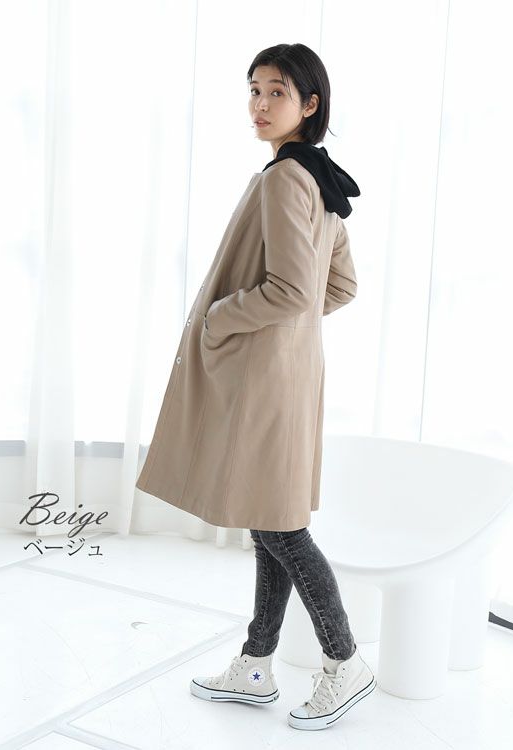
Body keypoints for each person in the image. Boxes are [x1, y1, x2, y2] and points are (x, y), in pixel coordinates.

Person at [185, 43, 377, 731]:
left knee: (280, 527)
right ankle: (257, 662)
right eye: (254, 90)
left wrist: (222, 316)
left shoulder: (283, 179)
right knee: (269, 518)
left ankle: (345, 662)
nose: (260, 105)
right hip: (292, 374)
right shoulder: (320, 179)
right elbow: (340, 287)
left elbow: (293, 291)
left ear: (309, 104)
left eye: (277, 92)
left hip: (269, 379)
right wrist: (288, 331)